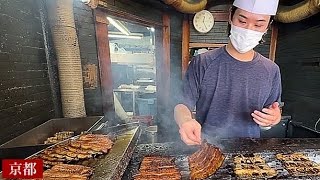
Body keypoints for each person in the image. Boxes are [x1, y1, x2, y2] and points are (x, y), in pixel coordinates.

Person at [175, 0, 282, 145]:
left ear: (267, 27)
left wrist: (274, 119)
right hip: (207, 148)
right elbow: (181, 105)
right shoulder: (202, 62)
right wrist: (186, 121)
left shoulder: (271, 70)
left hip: (250, 152)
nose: (249, 29)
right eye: (242, 21)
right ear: (231, 16)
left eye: (258, 25)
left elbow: (272, 111)